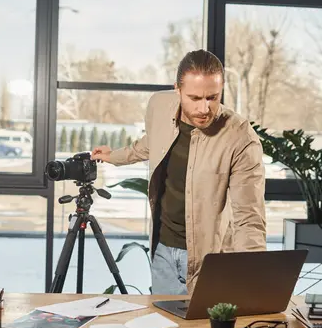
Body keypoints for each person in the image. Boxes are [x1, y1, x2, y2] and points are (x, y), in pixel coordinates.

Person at [91, 49, 266, 295]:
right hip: (162, 250)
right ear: (177, 89)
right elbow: (151, 144)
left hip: (209, 260)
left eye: (212, 97)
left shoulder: (240, 137)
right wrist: (113, 157)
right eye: (194, 98)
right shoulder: (159, 106)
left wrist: (255, 278)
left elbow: (249, 216)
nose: (204, 108)